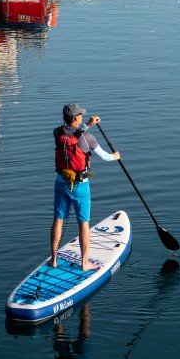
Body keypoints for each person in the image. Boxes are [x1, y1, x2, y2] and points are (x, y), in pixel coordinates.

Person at [49, 103, 120, 271]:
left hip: (61, 183)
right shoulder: (88, 138)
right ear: (75, 118)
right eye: (80, 115)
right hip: (80, 187)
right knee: (83, 224)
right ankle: (84, 263)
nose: (81, 116)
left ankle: (53, 259)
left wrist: (87, 125)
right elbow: (105, 157)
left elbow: (73, 134)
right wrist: (115, 156)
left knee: (58, 220)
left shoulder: (56, 133)